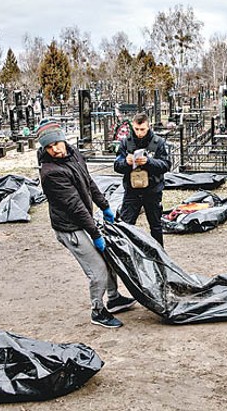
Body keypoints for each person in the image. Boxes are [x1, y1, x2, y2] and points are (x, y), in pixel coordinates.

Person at [37, 120, 136, 328]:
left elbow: (89, 182)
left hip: (83, 220)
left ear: (63, 139)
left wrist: (105, 206)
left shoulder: (73, 154)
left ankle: (114, 297)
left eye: (56, 143)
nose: (55, 149)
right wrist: (96, 234)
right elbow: (75, 206)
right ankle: (98, 311)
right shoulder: (50, 173)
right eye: (49, 147)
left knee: (109, 258)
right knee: (97, 270)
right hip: (71, 229)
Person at [114, 112, 171, 246]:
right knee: (126, 226)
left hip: (152, 190)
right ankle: (127, 254)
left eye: (142, 129)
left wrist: (148, 162)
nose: (139, 133)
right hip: (132, 191)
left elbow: (166, 165)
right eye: (136, 129)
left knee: (156, 226)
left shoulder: (158, 142)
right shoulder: (125, 142)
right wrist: (126, 163)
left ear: (148, 126)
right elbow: (117, 165)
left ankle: (159, 256)